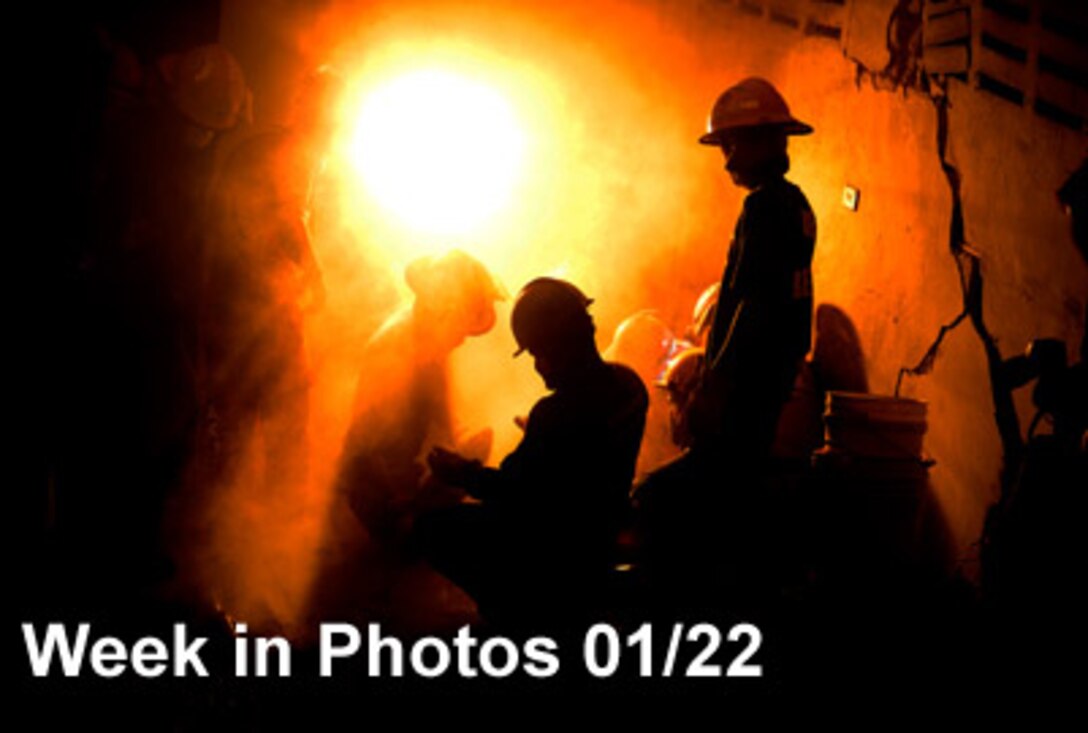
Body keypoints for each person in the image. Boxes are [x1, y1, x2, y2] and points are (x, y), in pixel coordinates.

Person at [416, 277, 649, 626]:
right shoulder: (630, 387)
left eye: (539, 352)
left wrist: (462, 472)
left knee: (434, 529)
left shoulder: (556, 413)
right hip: (600, 534)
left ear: (561, 345)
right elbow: (583, 451)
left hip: (554, 548)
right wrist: (544, 437)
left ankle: (514, 613)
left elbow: (513, 492)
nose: (539, 366)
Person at [693, 77, 816, 470]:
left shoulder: (763, 209)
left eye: (732, 145)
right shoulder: (795, 203)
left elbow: (753, 303)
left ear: (765, 141)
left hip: (748, 381)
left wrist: (718, 385)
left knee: (723, 483)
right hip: (772, 374)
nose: (727, 160)